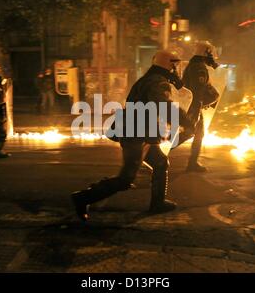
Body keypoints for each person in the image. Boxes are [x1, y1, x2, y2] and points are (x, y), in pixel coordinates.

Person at [71, 50, 194, 222]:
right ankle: (82, 198)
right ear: (170, 65)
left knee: (160, 162)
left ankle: (158, 203)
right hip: (136, 134)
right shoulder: (158, 83)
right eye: (175, 65)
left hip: (138, 131)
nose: (177, 69)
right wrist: (187, 121)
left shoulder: (149, 79)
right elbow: (164, 106)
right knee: (126, 179)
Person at [182, 41, 220, 173]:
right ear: (206, 53)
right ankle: (153, 155)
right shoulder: (199, 67)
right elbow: (198, 90)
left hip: (192, 104)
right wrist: (199, 107)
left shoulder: (194, 65)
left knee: (193, 132)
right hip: (194, 106)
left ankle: (192, 163)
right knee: (191, 133)